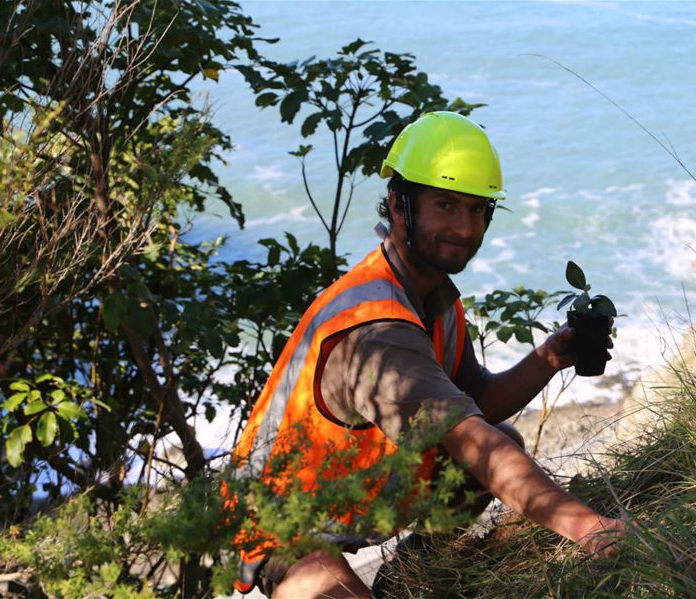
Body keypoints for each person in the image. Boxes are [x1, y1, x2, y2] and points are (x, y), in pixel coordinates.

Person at [230, 111, 627, 598]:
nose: (465, 227)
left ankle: (409, 583)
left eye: (478, 210)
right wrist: (589, 528)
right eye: (446, 206)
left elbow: (477, 398)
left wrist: (550, 356)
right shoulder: (378, 327)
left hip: (357, 492)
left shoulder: (434, 297)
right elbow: (470, 440)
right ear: (400, 207)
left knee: (500, 437)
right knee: (485, 447)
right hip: (285, 524)